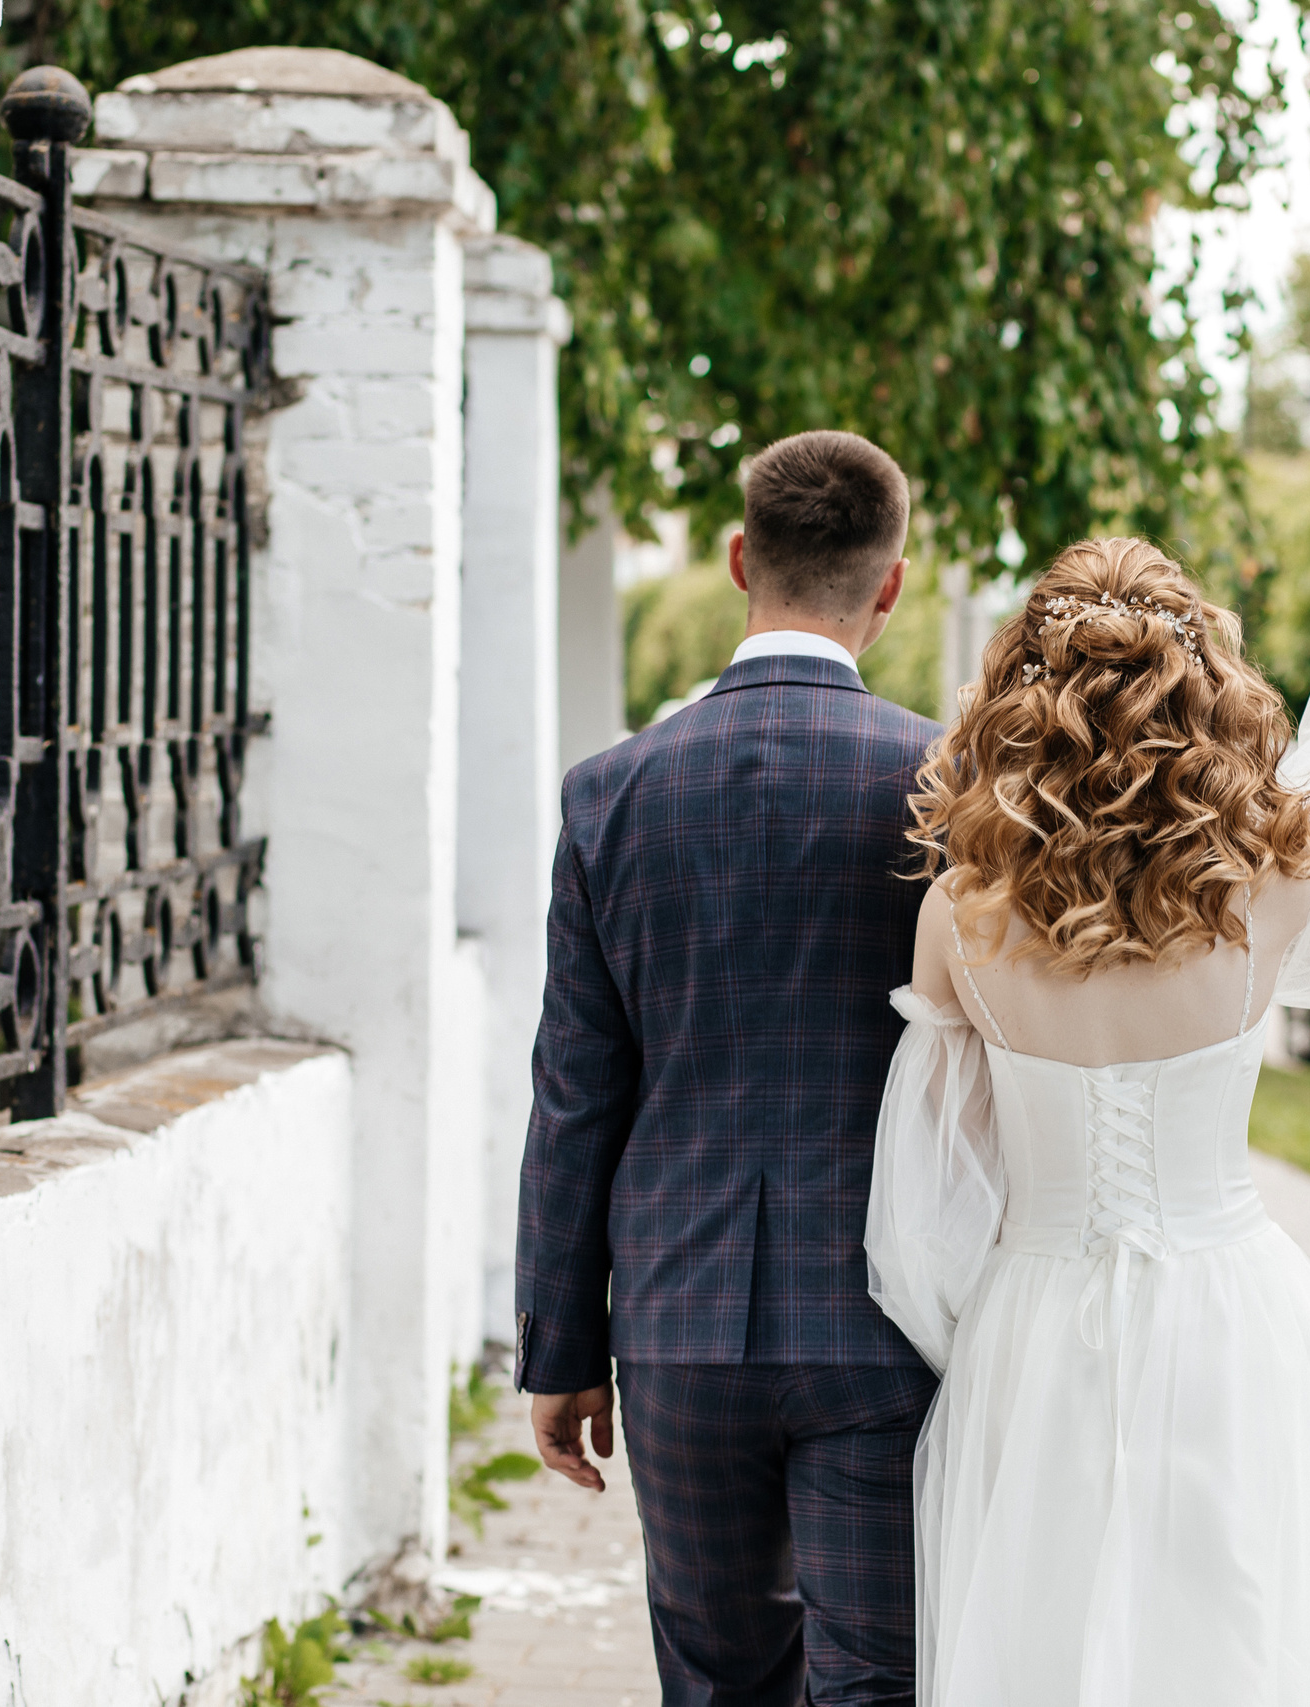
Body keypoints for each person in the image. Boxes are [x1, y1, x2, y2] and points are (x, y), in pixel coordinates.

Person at [865, 492, 1310, 1704]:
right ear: (1205, 696)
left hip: (1035, 1325)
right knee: (1246, 1629)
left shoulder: (958, 915)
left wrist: (970, 1337)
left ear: (1020, 702)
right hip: (1232, 1309)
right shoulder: (1270, 884)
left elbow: (929, 1192)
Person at [517, 430, 943, 1707]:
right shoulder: (952, 786)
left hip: (676, 1320)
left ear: (738, 559)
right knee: (883, 1680)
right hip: (888, 1315)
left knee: (716, 1682)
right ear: (891, 583)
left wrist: (560, 1346)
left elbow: (576, 1093)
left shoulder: (609, 793)